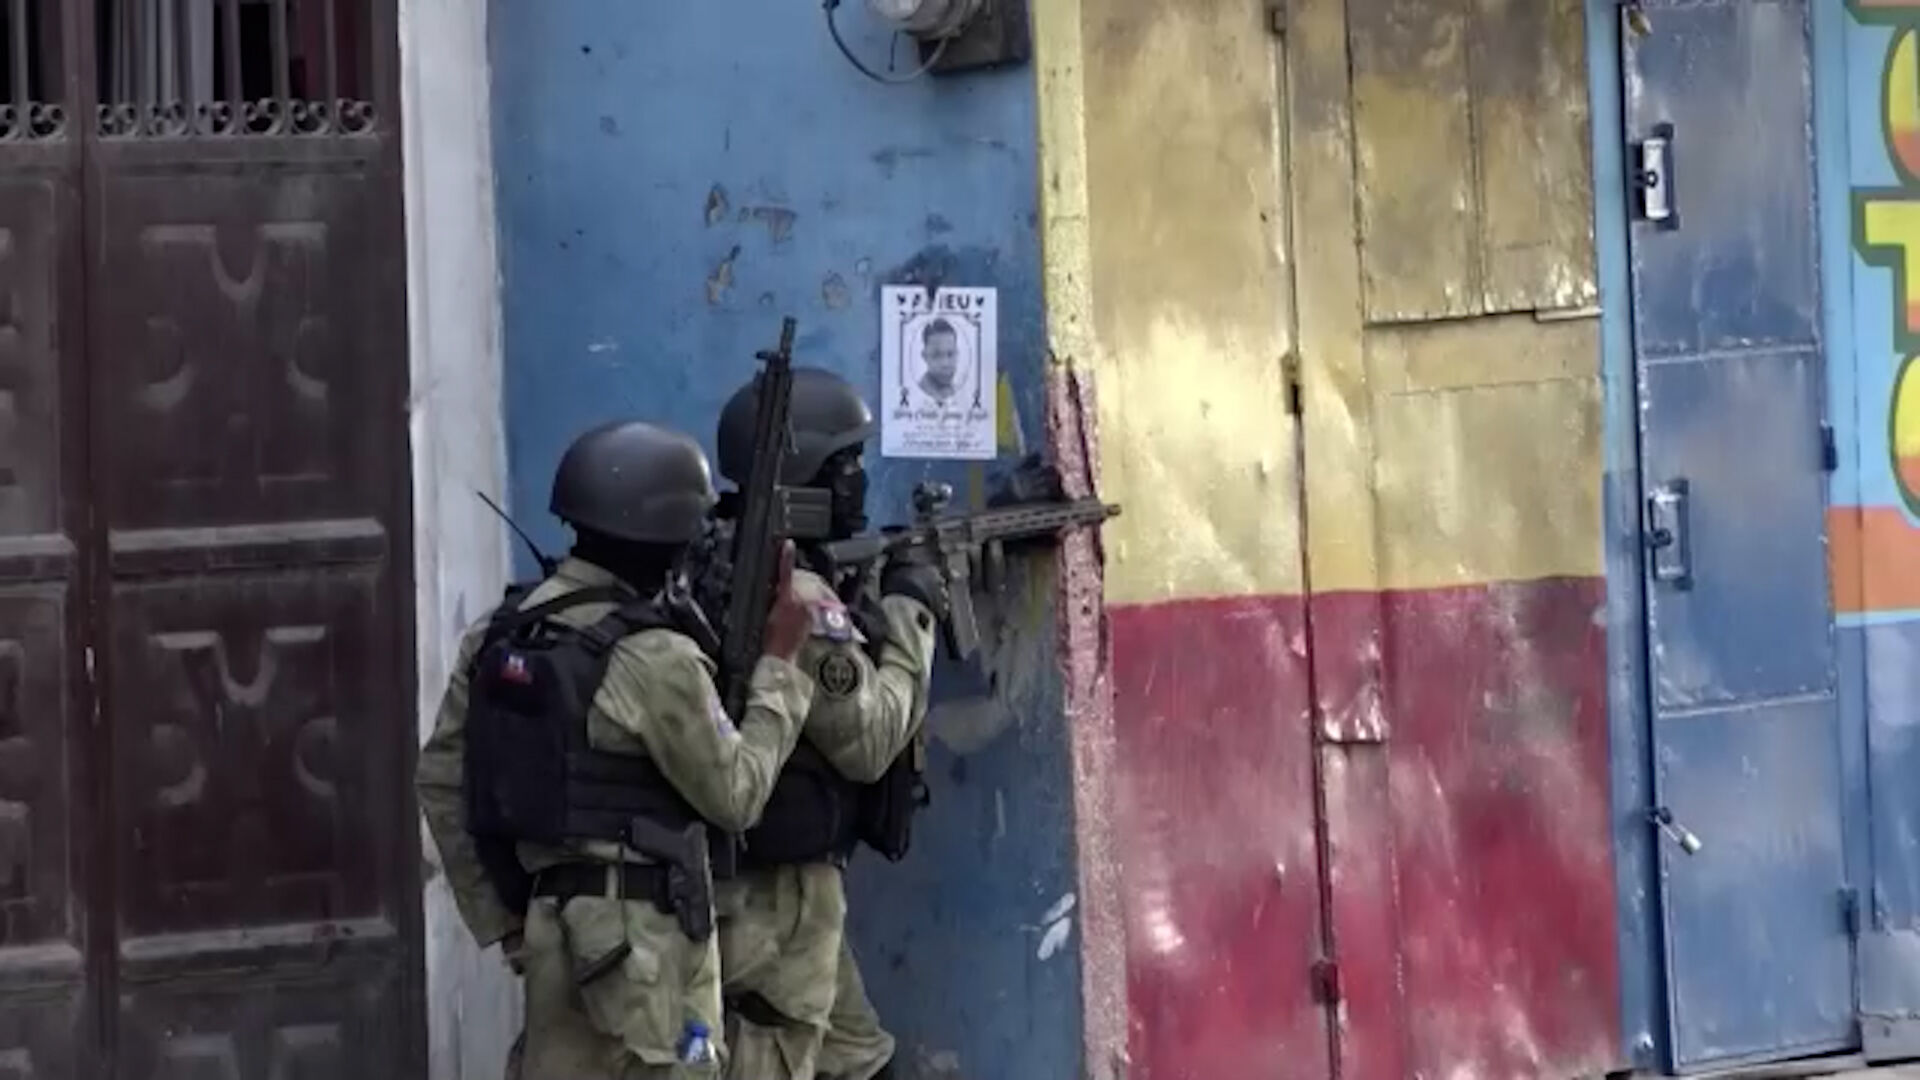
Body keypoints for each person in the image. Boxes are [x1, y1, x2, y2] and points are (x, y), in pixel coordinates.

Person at [415, 419, 821, 1078]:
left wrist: (510, 919)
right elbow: (737, 794)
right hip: (648, 951)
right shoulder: (654, 655)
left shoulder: (505, 630)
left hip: (552, 928)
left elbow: (440, 778)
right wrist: (781, 665)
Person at [696, 367, 946, 1080]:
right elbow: (870, 740)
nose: (859, 481)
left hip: (769, 892)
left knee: (861, 1059)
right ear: (801, 474)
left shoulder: (714, 555)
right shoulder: (796, 593)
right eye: (846, 463)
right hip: (776, 907)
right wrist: (911, 611)